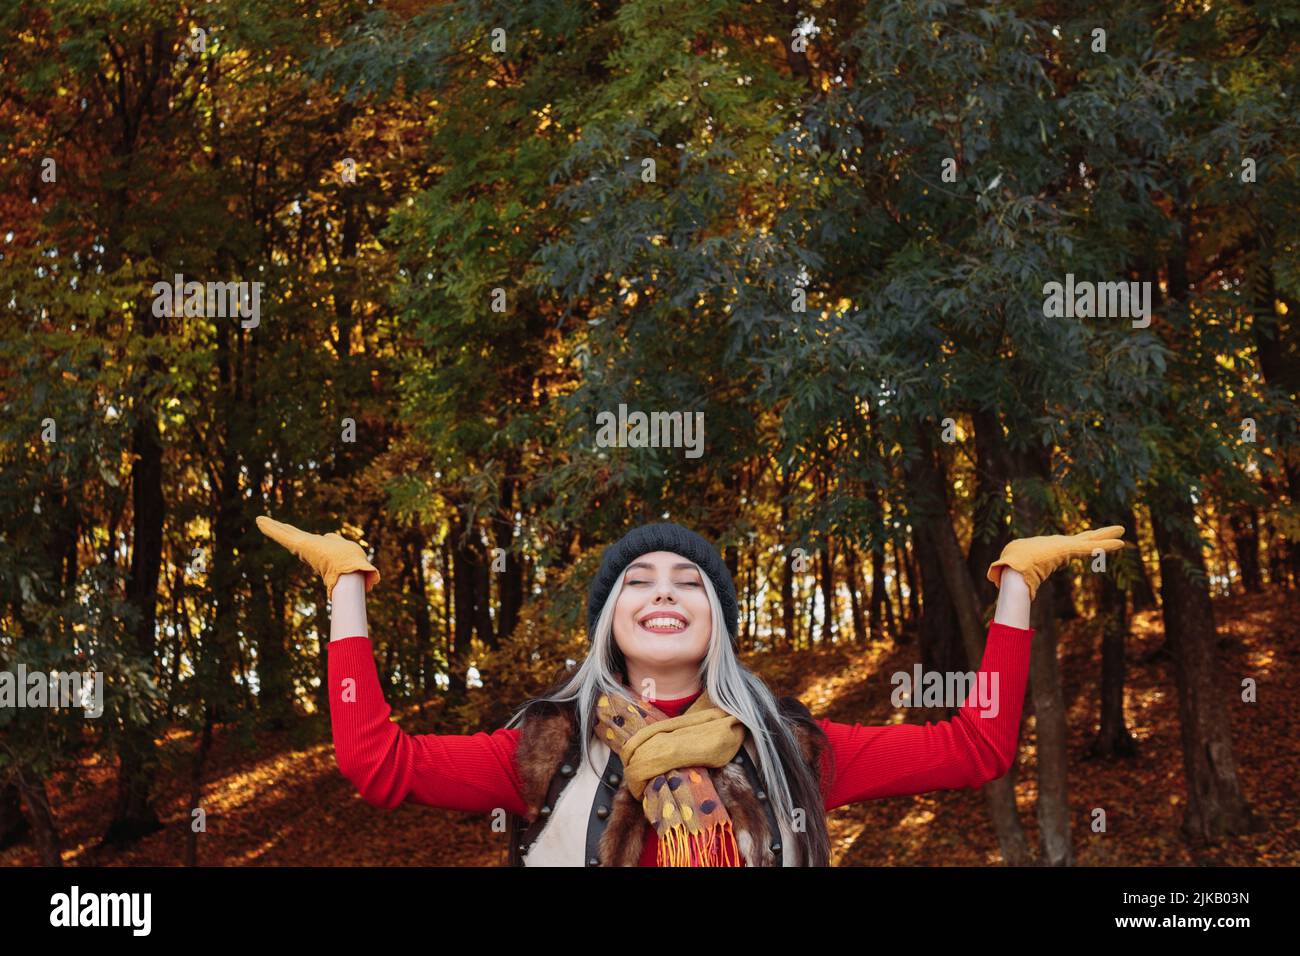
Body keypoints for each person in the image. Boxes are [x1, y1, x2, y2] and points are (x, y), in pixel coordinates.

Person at [256, 515, 1125, 866]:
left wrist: (1015, 582)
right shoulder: (545, 750)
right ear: (609, 622)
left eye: (688, 581)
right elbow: (375, 762)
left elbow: (979, 749)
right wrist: (347, 586)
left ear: (717, 618)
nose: (664, 591)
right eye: (638, 581)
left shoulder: (790, 750)